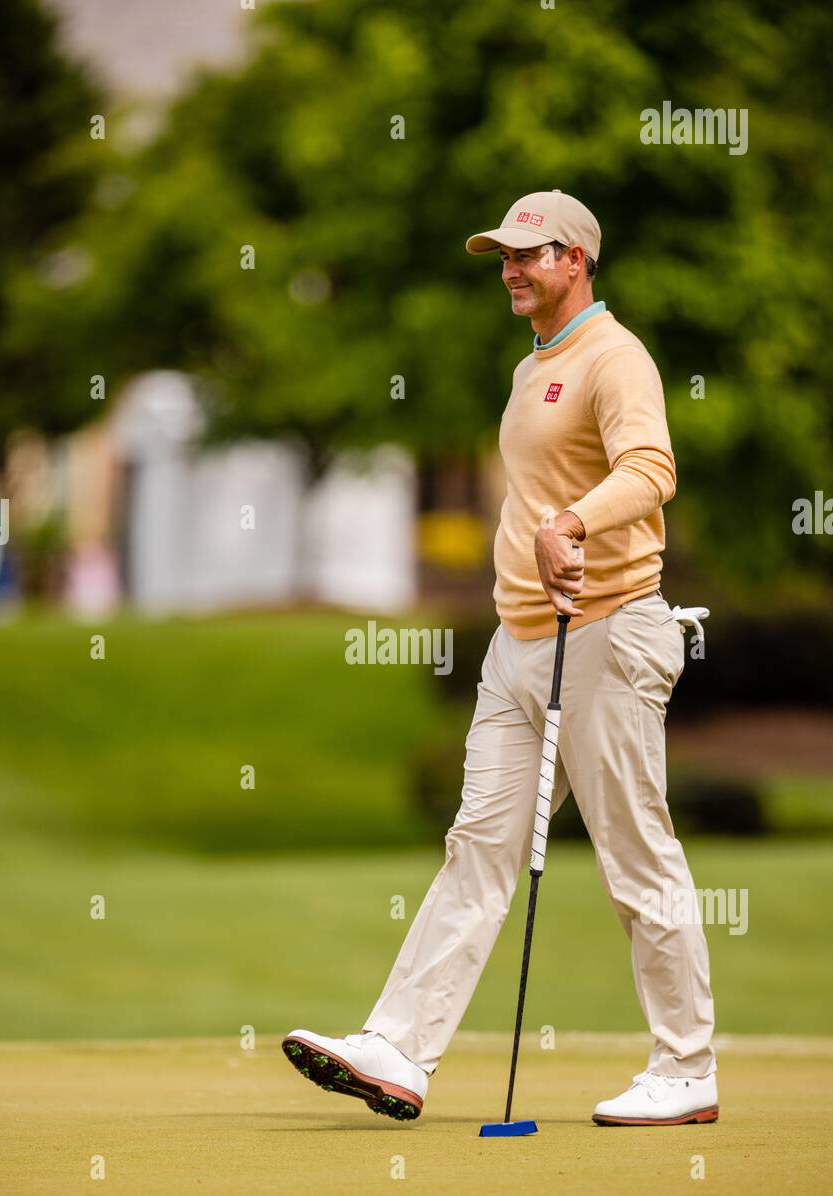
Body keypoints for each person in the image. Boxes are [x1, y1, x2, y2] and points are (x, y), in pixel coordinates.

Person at [282, 190, 717, 1127]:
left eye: (530, 253)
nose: (512, 268)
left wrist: (571, 521)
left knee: (634, 854)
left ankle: (686, 1070)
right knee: (476, 849)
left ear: (578, 259)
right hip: (519, 641)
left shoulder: (614, 357)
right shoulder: (534, 369)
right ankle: (398, 1049)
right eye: (504, 256)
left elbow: (650, 471)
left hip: (606, 632)